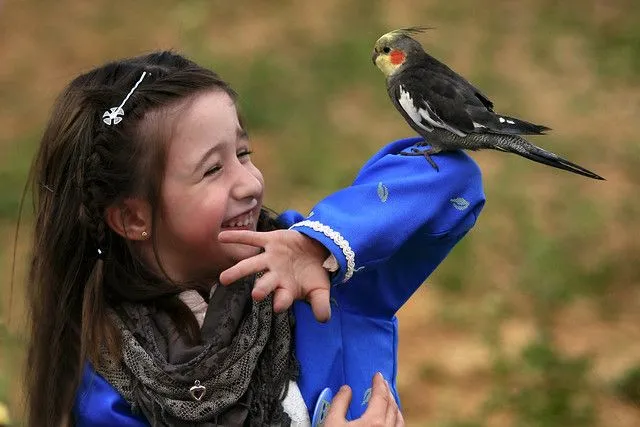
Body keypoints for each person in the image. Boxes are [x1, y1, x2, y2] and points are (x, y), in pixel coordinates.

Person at [25, 51, 484, 426]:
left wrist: (319, 243)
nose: (248, 182)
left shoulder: (321, 275)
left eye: (244, 152)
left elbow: (454, 181)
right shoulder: (112, 379)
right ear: (131, 216)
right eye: (212, 169)